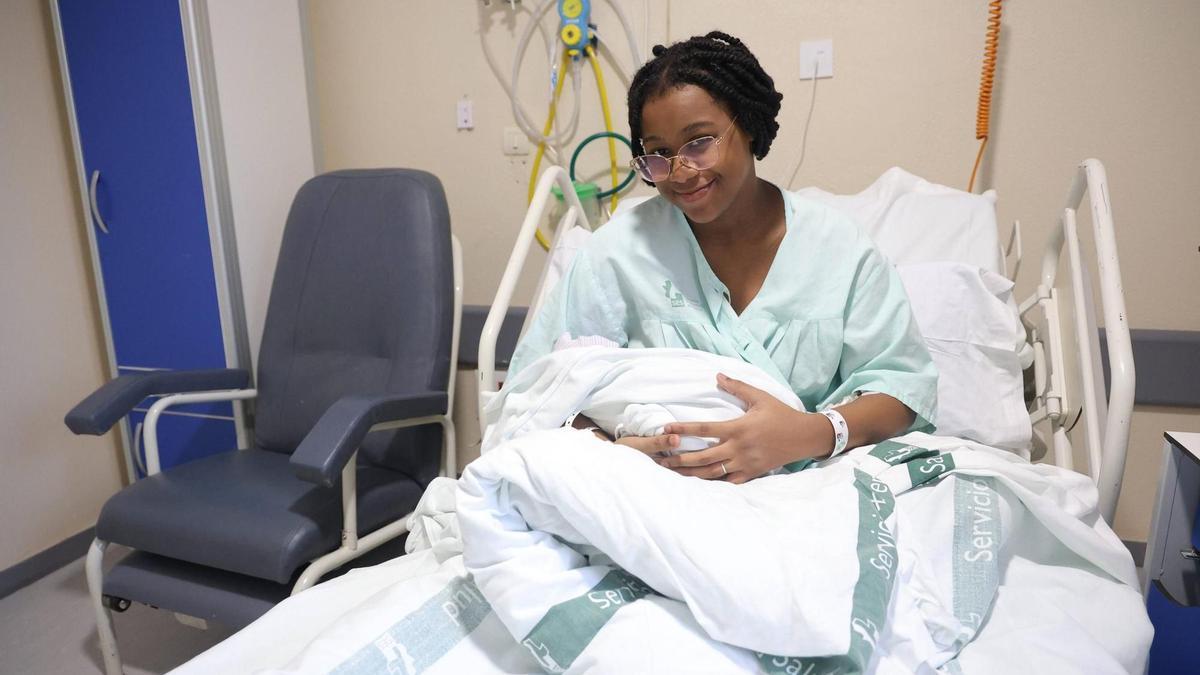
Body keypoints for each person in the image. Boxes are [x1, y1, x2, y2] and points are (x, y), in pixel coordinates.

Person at [506, 31, 937, 483]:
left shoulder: (839, 251)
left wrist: (810, 433)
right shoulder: (616, 255)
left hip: (811, 486)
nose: (680, 171)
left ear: (747, 125)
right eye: (658, 154)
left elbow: (902, 389)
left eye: (699, 142)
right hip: (651, 489)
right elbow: (538, 388)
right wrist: (615, 450)